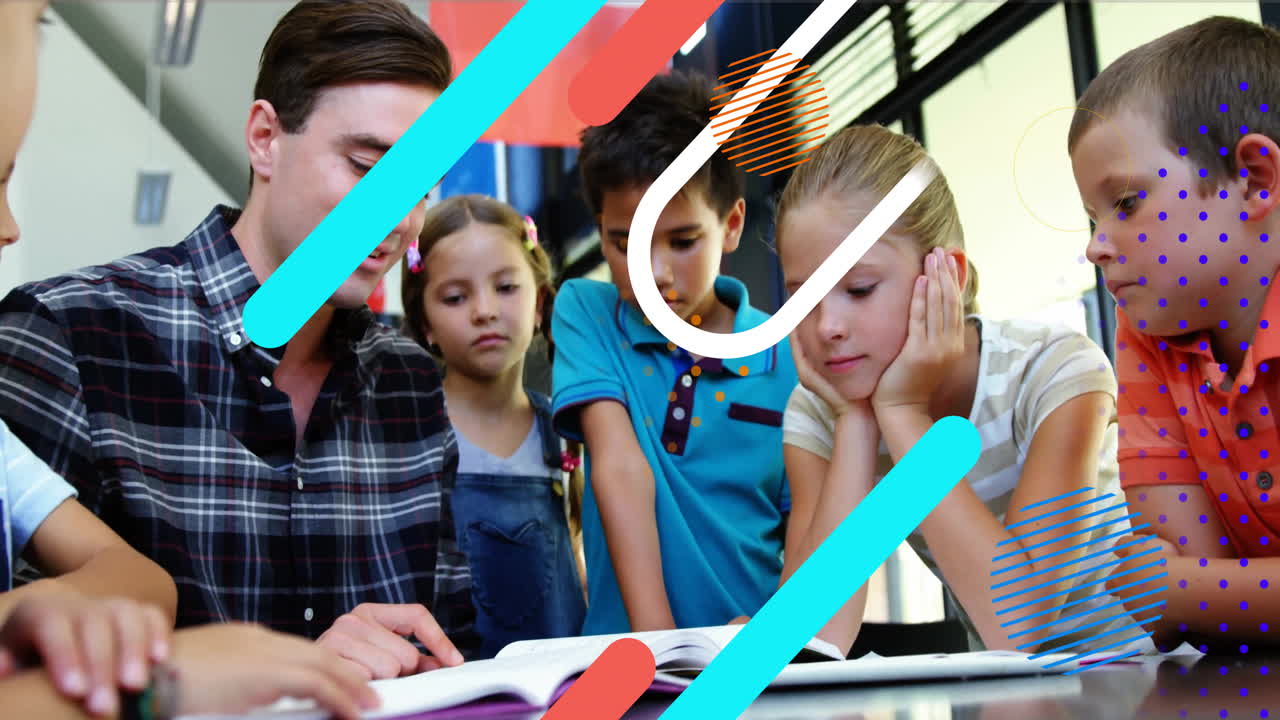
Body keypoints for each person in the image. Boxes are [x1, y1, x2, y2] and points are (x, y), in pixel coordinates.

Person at [0, 0, 475, 679]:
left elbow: (450, 639)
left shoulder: (410, 378)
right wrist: (289, 677)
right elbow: (23, 673)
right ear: (263, 138)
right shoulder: (71, 335)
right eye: (369, 170)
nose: (399, 218)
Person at [777, 124, 1140, 654]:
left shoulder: (1053, 370)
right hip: (1007, 699)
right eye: (803, 298)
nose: (827, 325)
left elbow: (1023, 625)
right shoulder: (822, 412)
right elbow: (804, 643)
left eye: (858, 289)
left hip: (1153, 681)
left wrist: (902, 413)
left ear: (944, 274)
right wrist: (857, 425)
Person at [551, 71, 798, 634]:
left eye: (683, 241)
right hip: (631, 658)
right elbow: (617, 466)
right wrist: (660, 649)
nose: (653, 272)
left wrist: (779, 636)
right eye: (623, 243)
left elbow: (809, 523)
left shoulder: (787, 355)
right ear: (601, 230)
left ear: (731, 225)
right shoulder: (587, 312)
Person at [1069, 15, 1280, 651]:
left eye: (1126, 203)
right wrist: (1192, 594)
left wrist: (1191, 592)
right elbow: (1183, 599)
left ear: (1253, 180)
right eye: (1091, 218)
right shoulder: (1147, 335)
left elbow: (1172, 592)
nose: (1095, 247)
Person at [399, 195, 586, 658]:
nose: (484, 310)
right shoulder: (407, 436)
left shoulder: (568, 432)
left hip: (561, 690)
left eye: (506, 287)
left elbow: (579, 559)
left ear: (540, 302)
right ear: (426, 323)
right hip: (448, 692)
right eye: (456, 297)